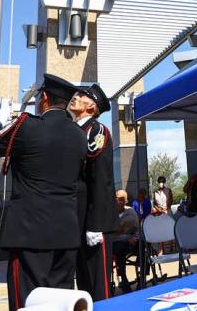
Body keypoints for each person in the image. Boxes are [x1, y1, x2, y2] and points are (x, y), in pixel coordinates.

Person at [0, 74, 87, 311]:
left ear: (44, 98)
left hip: (30, 233)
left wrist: (0, 120)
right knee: (61, 303)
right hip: (66, 232)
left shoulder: (26, 126)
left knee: (27, 302)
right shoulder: (79, 135)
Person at [69, 83, 116, 302]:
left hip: (95, 224)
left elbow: (100, 179)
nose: (75, 98)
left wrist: (95, 225)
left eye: (81, 95)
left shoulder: (96, 131)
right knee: (84, 285)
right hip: (77, 221)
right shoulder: (74, 131)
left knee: (99, 288)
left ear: (92, 106)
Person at [111, 190, 140, 294]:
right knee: (119, 247)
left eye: (123, 199)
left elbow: (138, 229)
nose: (120, 201)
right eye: (118, 198)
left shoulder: (131, 212)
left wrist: (135, 238)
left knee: (145, 244)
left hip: (131, 241)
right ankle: (123, 279)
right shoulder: (110, 213)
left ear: (126, 201)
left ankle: (142, 277)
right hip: (117, 242)